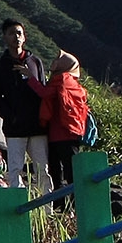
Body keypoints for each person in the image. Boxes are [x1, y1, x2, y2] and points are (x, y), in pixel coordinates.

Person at [0, 18, 49, 194]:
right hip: (14, 129)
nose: (16, 37)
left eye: (19, 33)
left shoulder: (35, 62)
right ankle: (19, 209)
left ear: (25, 37)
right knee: (15, 169)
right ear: (5, 38)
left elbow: (43, 90)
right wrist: (10, 117)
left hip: (37, 127)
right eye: (11, 33)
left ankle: (47, 210)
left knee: (42, 170)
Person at [40, 53, 89, 191]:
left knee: (57, 173)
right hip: (70, 134)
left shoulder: (61, 80)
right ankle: (75, 205)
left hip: (57, 134)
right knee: (72, 172)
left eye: (57, 59)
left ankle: (61, 206)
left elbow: (44, 93)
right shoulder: (73, 84)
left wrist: (31, 79)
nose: (54, 61)